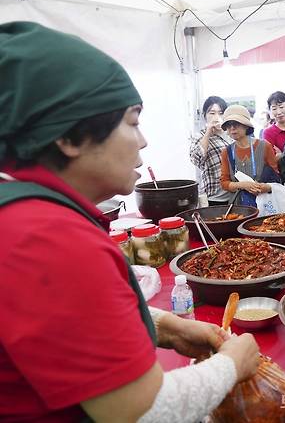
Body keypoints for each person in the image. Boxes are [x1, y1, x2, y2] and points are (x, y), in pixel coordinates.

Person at [0, 21, 259, 422]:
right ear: (69, 136)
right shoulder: (49, 238)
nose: (143, 141)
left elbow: (68, 327)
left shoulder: (21, 213)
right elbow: (141, 412)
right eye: (132, 121)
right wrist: (231, 365)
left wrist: (165, 327)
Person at [220, 105, 279, 207]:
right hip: (239, 207)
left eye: (236, 124)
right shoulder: (227, 151)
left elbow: (277, 179)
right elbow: (224, 183)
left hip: (265, 204)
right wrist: (243, 185)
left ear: (246, 126)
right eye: (228, 125)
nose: (232, 128)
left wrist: (264, 187)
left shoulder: (265, 146)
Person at [189, 96, 233, 202]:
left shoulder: (232, 133)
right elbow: (197, 158)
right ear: (205, 115)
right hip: (216, 196)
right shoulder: (200, 136)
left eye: (221, 113)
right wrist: (209, 131)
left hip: (236, 192)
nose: (216, 117)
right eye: (212, 113)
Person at [262, 91, 285, 160]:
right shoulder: (268, 133)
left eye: (281, 107)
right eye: (274, 109)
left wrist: (282, 155)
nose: (279, 112)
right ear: (270, 111)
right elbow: (270, 158)